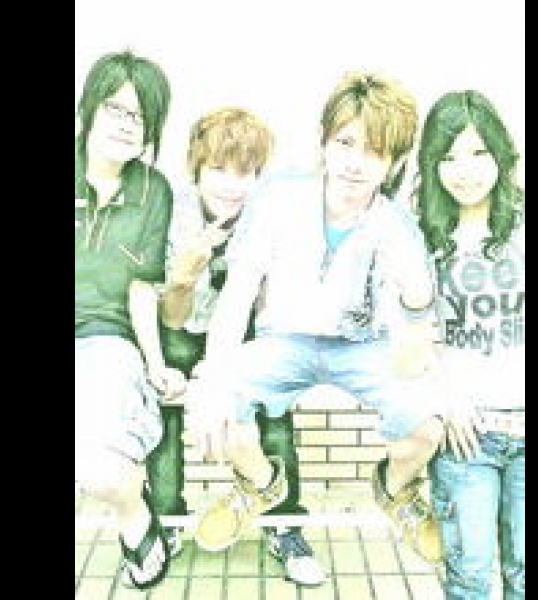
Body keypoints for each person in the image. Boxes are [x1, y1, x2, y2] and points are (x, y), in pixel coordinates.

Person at [185, 72, 446, 564]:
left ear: (393, 163)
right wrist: (214, 381)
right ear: (324, 141)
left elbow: (417, 324)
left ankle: (397, 491)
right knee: (211, 408)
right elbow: (238, 293)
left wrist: (413, 289)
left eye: (374, 152)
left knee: (427, 427)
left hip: (364, 347)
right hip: (284, 340)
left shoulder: (395, 223)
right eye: (345, 143)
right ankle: (259, 484)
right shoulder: (279, 197)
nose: (355, 163)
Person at [156, 107, 325, 586]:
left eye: (245, 173)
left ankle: (284, 525)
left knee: (275, 416)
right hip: (184, 330)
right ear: (196, 167)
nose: (232, 186)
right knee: (166, 418)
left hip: (248, 331)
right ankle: (165, 522)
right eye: (218, 169)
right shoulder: (173, 212)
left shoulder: (269, 213)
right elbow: (172, 317)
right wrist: (184, 276)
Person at [75, 50, 184, 591]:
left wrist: (156, 363)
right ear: (89, 108)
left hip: (106, 337)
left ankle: (133, 512)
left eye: (139, 117)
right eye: (115, 109)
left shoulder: (152, 190)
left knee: (100, 469)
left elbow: (142, 288)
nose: (125, 124)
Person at [415, 90, 525, 599]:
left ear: (500, 154)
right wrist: (445, 399)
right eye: (450, 156)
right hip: (467, 436)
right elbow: (412, 334)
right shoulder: (425, 236)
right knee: (472, 576)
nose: (466, 170)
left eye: (479, 153)